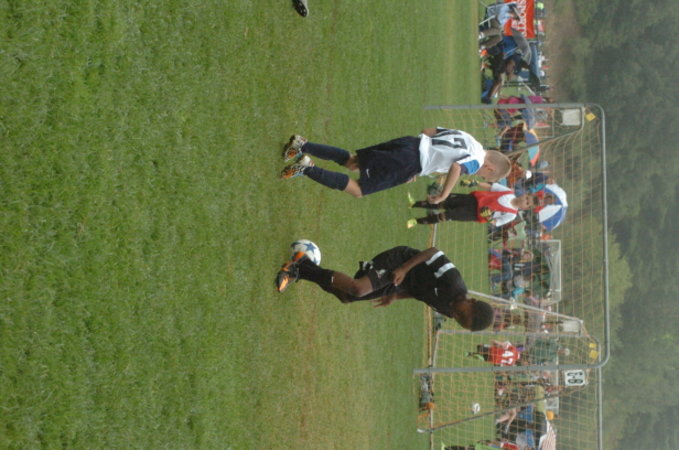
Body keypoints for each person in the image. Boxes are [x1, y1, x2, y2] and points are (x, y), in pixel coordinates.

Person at [275, 246, 495, 331]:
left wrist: (396, 297)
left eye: (459, 321)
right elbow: (433, 252)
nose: (455, 316)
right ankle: (296, 267)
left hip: (402, 283)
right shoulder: (454, 282)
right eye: (462, 315)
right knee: (357, 288)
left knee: (346, 296)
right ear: (472, 302)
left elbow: (421, 293)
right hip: (400, 262)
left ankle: (304, 266)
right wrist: (404, 268)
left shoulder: (449, 309)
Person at [279, 129, 511, 201]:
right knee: (359, 189)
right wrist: (443, 194)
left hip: (410, 144)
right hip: (410, 161)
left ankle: (303, 145)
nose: (479, 176)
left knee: (353, 162)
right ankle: (306, 168)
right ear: (490, 168)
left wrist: (421, 163)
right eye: (485, 176)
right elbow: (458, 168)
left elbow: (429, 131)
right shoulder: (476, 161)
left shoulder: (469, 138)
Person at [406, 182, 538, 228]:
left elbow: (496, 223)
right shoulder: (509, 192)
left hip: (473, 214)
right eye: (527, 198)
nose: (524, 201)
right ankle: (414, 204)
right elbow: (491, 186)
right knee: (442, 202)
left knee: (445, 216)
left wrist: (489, 218)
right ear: (524, 194)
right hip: (472, 200)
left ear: (525, 208)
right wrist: (474, 182)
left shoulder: (511, 215)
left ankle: (416, 221)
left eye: (527, 203)